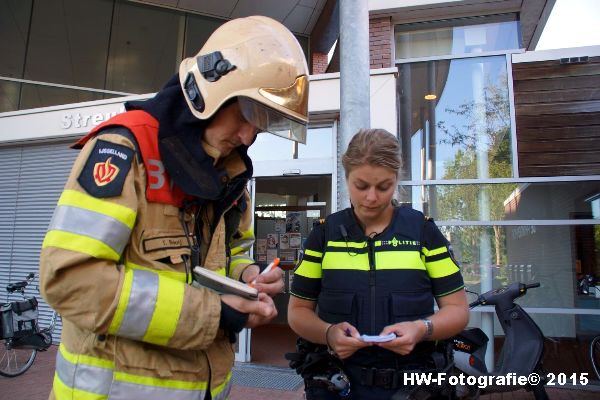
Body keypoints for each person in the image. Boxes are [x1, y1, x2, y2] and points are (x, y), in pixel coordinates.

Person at [39, 16, 309, 400]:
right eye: (247, 112)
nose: (250, 134)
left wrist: (250, 275)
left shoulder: (230, 179)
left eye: (262, 122)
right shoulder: (124, 150)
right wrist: (215, 314)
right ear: (211, 89)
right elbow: (70, 279)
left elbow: (228, 257)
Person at [287, 129, 469, 399]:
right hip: (336, 385)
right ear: (346, 178)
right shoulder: (323, 236)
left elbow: (457, 310)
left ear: (396, 180)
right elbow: (298, 311)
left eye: (383, 186)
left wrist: (422, 329)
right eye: (361, 186)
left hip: (411, 387)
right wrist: (328, 333)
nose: (371, 197)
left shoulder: (423, 233)